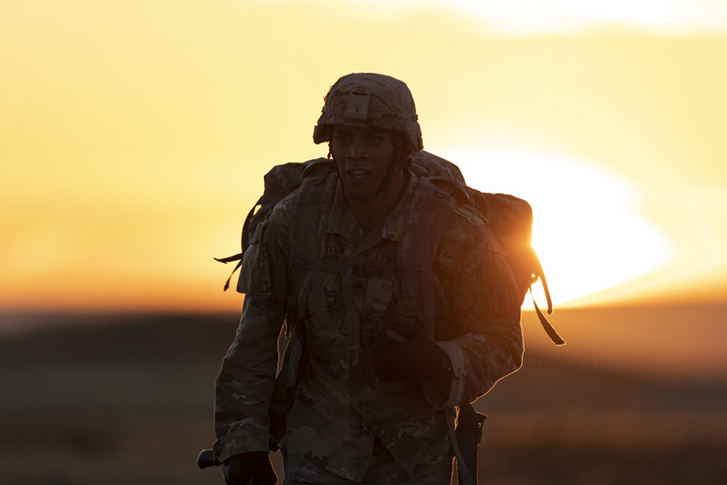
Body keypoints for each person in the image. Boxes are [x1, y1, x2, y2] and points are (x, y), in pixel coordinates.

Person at [213, 73, 524, 485]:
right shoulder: (293, 221)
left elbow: (503, 338)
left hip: (412, 460)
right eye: (344, 139)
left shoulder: (453, 230)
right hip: (316, 453)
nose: (355, 154)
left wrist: (438, 362)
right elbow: (253, 341)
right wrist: (244, 448)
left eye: (373, 139)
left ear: (402, 148)